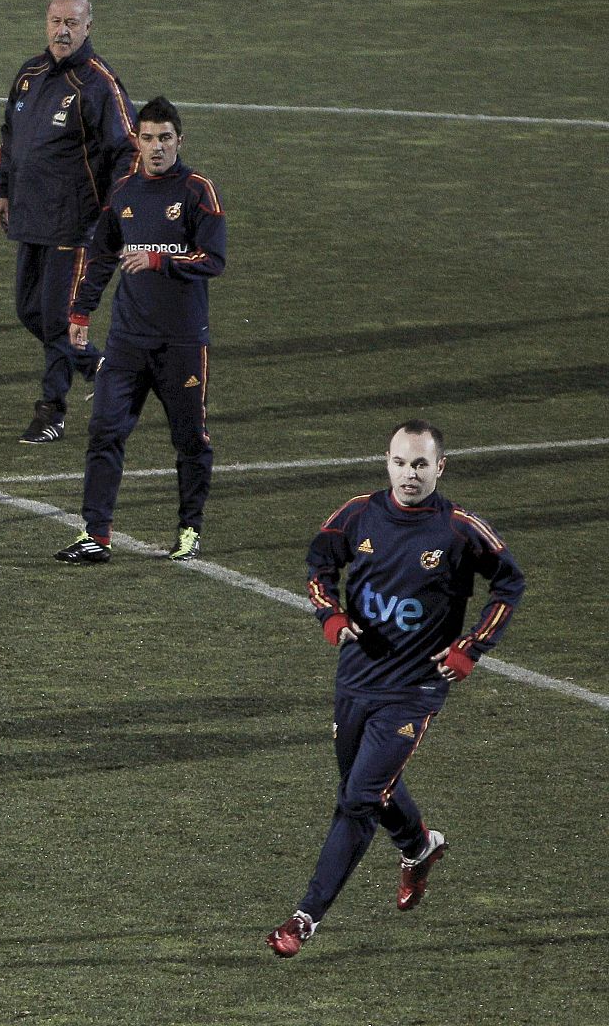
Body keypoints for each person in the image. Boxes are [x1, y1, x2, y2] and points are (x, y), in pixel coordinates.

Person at [266, 420, 524, 956]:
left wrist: (471, 647)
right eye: (402, 463)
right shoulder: (356, 514)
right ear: (387, 462)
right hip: (356, 679)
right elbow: (319, 565)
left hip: (414, 689)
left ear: (440, 467)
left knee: (358, 796)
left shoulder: (458, 529)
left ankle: (304, 918)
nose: (410, 474)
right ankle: (418, 845)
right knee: (372, 787)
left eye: (422, 464)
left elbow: (509, 582)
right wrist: (329, 615)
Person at [54, 97, 225, 565]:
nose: (155, 147)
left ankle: (190, 528)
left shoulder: (197, 191)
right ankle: (96, 533)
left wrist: (159, 259)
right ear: (137, 140)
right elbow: (102, 255)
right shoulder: (125, 193)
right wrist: (82, 312)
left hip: (183, 342)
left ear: (179, 141)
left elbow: (213, 259)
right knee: (105, 431)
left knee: (190, 439)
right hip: (128, 341)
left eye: (164, 138)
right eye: (147, 138)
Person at [0, 0, 137, 444]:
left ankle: (51, 410)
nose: (63, 31)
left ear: (88, 27)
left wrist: (115, 214)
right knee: (27, 309)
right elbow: (10, 136)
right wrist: (0, 190)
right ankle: (97, 366)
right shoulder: (30, 74)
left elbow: (127, 149)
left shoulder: (98, 83)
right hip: (31, 217)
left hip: (76, 223)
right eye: (56, 21)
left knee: (56, 316)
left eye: (72, 23)